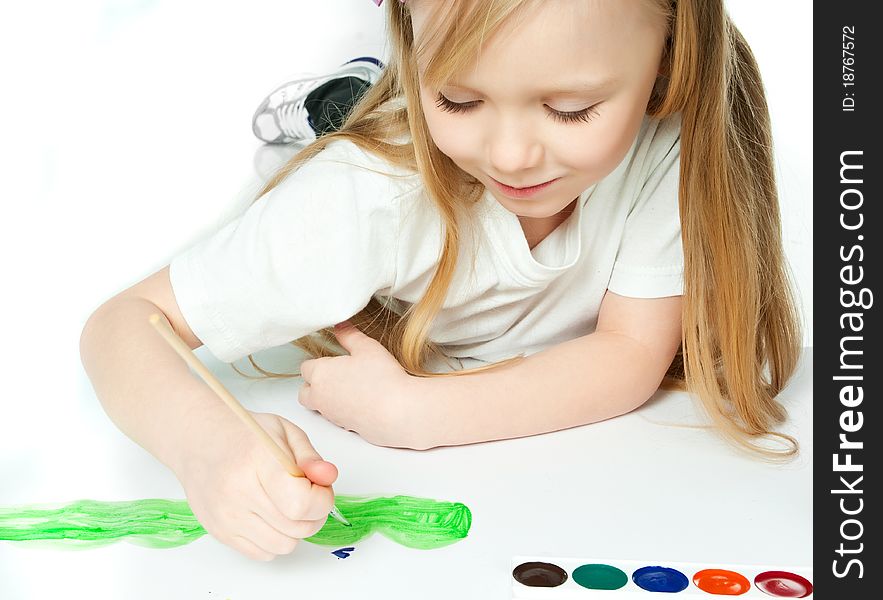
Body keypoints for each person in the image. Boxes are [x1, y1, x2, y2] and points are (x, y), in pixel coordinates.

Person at [79, 0, 804, 562]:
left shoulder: (668, 141)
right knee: (348, 141)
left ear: (667, 62)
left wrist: (416, 412)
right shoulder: (361, 197)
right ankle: (336, 106)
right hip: (366, 183)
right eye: (458, 99)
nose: (513, 156)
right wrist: (204, 446)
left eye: (571, 108)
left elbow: (627, 354)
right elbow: (123, 324)